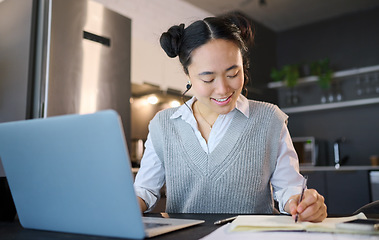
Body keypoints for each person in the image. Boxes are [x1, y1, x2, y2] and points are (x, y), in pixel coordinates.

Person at [134, 13, 327, 222]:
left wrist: (304, 205)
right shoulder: (163, 125)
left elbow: (289, 189)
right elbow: (144, 189)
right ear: (187, 74)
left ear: (243, 65)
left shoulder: (269, 119)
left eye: (233, 74)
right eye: (208, 78)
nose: (223, 89)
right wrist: (127, 205)